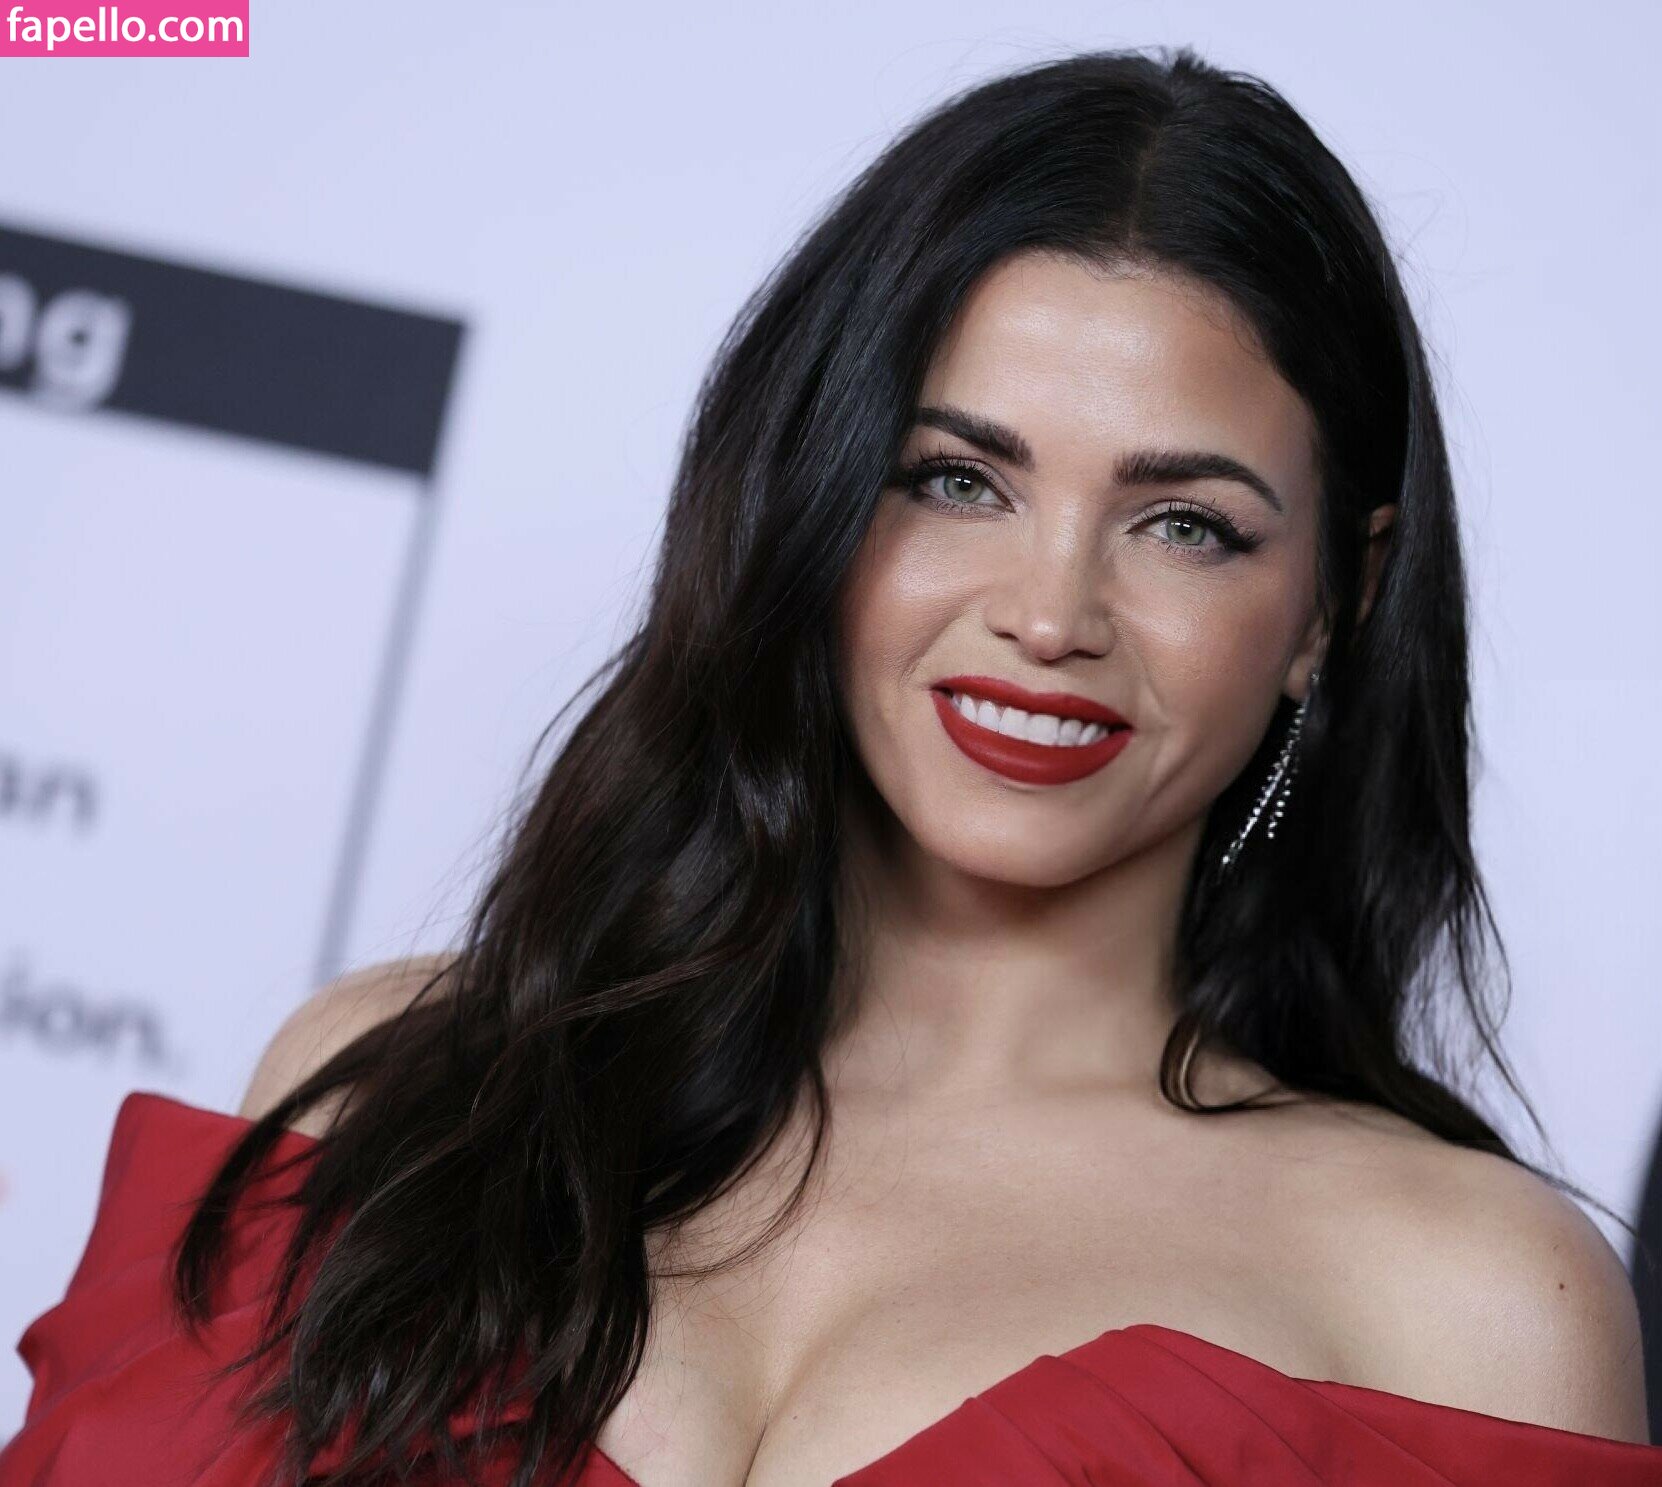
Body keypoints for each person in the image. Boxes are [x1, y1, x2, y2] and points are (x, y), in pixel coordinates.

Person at [5, 44, 1660, 1487]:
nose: (1048, 614)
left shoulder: (1465, 1304)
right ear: (806, 497)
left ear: (1329, 607)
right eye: (955, 481)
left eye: (1182, 525)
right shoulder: (392, 1091)